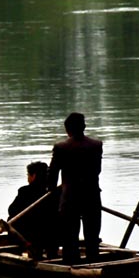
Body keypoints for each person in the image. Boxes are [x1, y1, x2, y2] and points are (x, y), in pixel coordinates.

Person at [47, 112, 103, 264]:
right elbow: (97, 171)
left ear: (67, 130)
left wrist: (51, 190)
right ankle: (94, 261)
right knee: (92, 235)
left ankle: (72, 264)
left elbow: (53, 174)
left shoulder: (61, 147)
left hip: (70, 197)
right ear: (84, 127)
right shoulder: (96, 145)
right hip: (92, 195)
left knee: (69, 235)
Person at [8, 161, 59, 260]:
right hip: (53, 235)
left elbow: (12, 210)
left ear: (34, 176)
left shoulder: (25, 191)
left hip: (34, 235)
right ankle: (51, 253)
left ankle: (32, 250)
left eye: (28, 175)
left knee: (11, 221)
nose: (28, 178)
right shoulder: (55, 192)